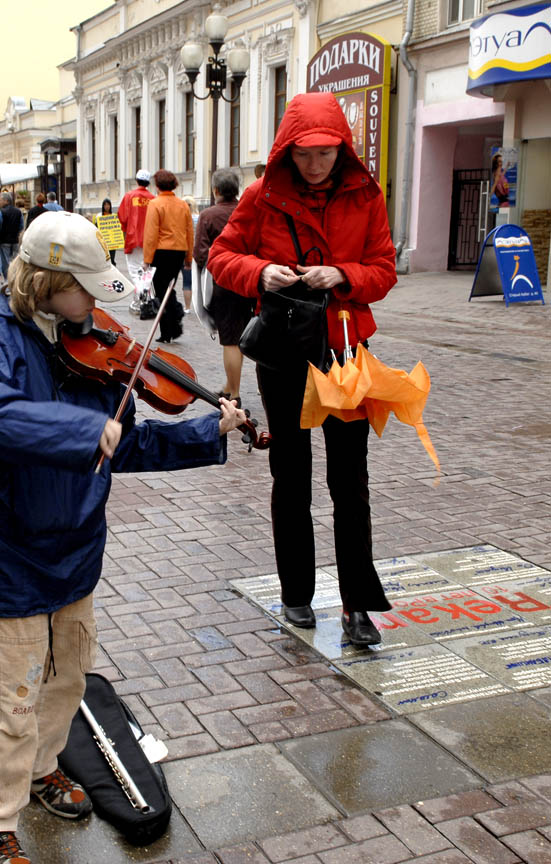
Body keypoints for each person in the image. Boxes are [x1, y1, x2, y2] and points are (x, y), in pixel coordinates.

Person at [0, 210, 245, 864]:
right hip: (11, 548)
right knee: (13, 695)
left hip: (76, 544)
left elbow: (126, 445)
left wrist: (204, 432)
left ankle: (46, 767)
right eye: (82, 288)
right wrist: (80, 432)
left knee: (68, 678)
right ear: (43, 281)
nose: (93, 304)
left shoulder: (92, 338)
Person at [208, 91, 397, 647]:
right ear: (287, 150)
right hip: (286, 346)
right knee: (290, 472)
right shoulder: (261, 196)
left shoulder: (366, 196)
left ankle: (358, 604)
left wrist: (342, 274)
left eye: (327, 152)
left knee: (350, 479)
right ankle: (296, 594)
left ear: (343, 148)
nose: (315, 165)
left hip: (342, 347)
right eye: (305, 153)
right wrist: (261, 272)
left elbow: (383, 270)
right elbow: (222, 256)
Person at [194, 168, 252, 406]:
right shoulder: (248, 212)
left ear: (215, 190)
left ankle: (234, 394)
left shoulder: (208, 216)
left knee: (230, 340)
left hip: (223, 283)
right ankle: (229, 385)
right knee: (241, 335)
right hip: (250, 279)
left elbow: (200, 254)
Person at [143, 169, 193, 343]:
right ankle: (172, 326)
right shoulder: (183, 205)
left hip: (161, 251)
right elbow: (189, 232)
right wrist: (188, 258)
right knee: (168, 289)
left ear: (157, 185)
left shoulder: (155, 204)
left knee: (162, 291)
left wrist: (147, 260)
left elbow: (151, 234)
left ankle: (169, 327)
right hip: (178, 251)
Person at [117, 169, 154, 281]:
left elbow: (122, 216)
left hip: (133, 238)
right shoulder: (153, 199)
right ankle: (146, 294)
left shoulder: (129, 196)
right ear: (148, 183)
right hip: (150, 240)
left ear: (137, 181)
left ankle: (140, 294)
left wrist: (126, 232)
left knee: (134, 271)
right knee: (147, 270)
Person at [0, 191, 24, 286]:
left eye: (1, 200)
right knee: (15, 260)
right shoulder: (18, 211)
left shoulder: (1, 212)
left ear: (6, 201)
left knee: (5, 261)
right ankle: (14, 278)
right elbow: (21, 226)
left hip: (4, 240)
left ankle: (7, 279)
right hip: (15, 240)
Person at [181, 195, 199, 313]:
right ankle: (199, 307)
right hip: (198, 253)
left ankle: (187, 307)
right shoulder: (199, 217)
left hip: (184, 252)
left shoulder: (180, 219)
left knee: (186, 282)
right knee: (197, 282)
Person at [93, 198, 117, 264]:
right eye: (105, 205)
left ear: (110, 206)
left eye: (108, 205)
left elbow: (116, 228)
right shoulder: (99, 216)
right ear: (103, 206)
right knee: (104, 257)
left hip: (112, 241)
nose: (107, 206)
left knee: (112, 258)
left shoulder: (113, 216)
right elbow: (96, 228)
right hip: (103, 241)